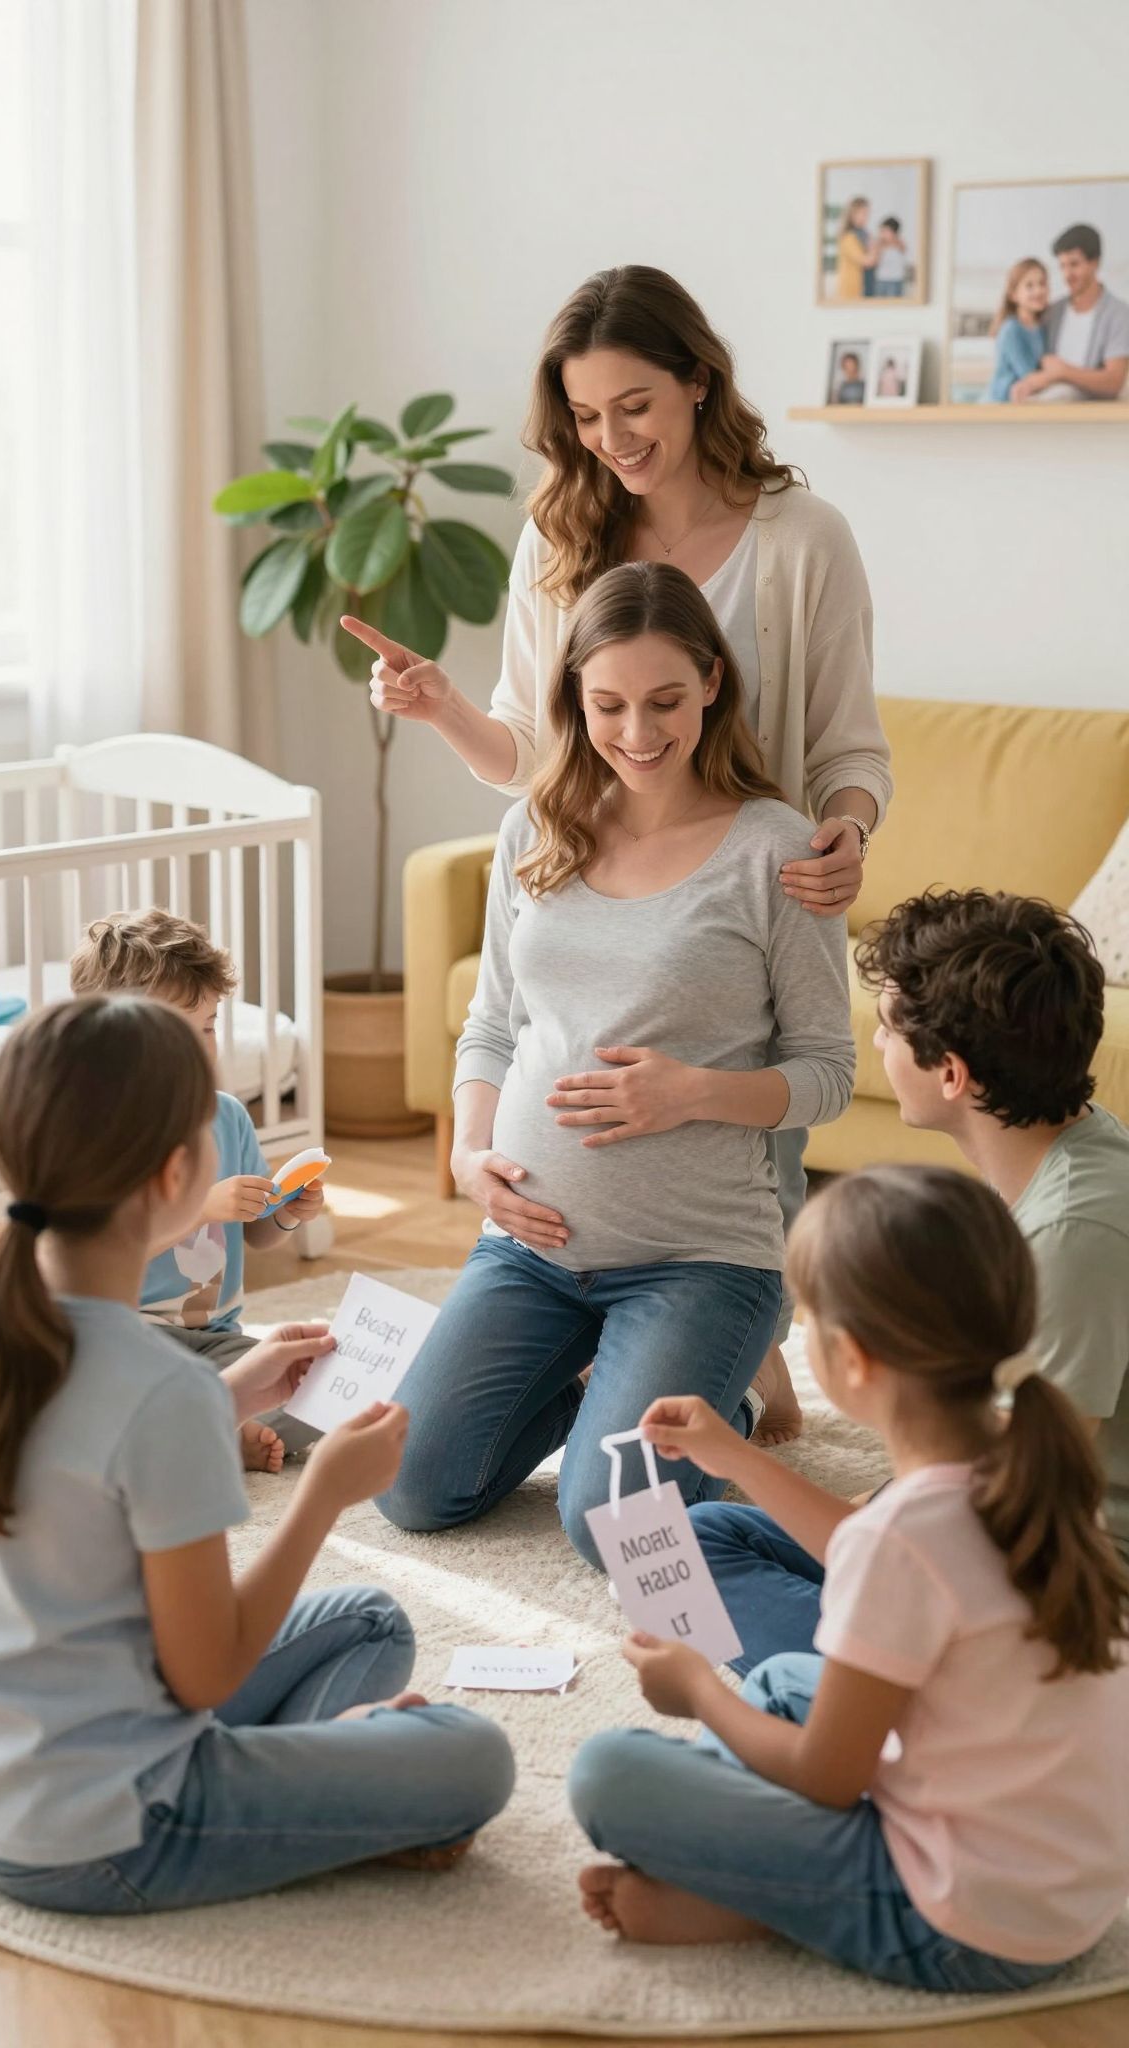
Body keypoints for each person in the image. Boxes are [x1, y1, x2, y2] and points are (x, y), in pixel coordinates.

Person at [343, 264, 892, 1443]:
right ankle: (696, 1360)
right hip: (606, 875)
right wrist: (443, 707)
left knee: (738, 1176)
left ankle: (722, 1342)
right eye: (586, 418)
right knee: (429, 1463)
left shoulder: (802, 540)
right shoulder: (562, 530)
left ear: (699, 381)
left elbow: (850, 742)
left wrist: (845, 827)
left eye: (634, 406)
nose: (612, 439)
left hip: (756, 894)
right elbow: (538, 760)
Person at [0, 996, 514, 1915]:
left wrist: (228, 1393)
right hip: (116, 1829)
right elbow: (207, 1674)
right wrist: (325, 1498)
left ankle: (321, 1777)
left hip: (6, 1791)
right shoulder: (158, 1389)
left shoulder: (11, 1335)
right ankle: (327, 1790)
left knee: (373, 1620)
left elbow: (83, 1466)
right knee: (477, 1754)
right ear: (182, 1170)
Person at [374, 563, 854, 1568]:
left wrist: (692, 1090)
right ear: (574, 699)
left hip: (699, 1259)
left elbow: (827, 1071)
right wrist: (469, 1151)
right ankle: (607, 1371)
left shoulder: (778, 850)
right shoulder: (531, 831)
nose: (638, 730)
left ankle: (703, 1372)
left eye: (665, 700)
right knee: (413, 1486)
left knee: (611, 1526)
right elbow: (493, 1025)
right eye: (608, 704)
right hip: (531, 1249)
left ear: (713, 683)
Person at [569, 1166, 1129, 1990]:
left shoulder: (904, 1535)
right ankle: (768, 1880)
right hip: (1064, 1894)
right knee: (792, 1675)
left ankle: (754, 1902)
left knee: (609, 1773)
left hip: (961, 1924)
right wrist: (729, 1454)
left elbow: (828, 1781)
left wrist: (698, 1692)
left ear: (854, 1360)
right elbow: (876, 1551)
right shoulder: (1029, 1466)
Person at [689, 888, 1129, 1680]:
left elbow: (1018, 1503)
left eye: (889, 1030)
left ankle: (907, 1690)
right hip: (991, 1522)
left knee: (700, 1572)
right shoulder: (1075, 1149)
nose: (878, 1045)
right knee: (706, 1538)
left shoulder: (1073, 1234)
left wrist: (870, 1536)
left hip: (1071, 1580)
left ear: (951, 1073)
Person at [70, 911, 326, 1472]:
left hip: (216, 1344)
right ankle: (212, 1429)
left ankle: (208, 1424)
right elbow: (96, 1258)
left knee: (319, 1383)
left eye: (207, 1027)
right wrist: (199, 1209)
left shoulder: (226, 1117)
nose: (200, 1047)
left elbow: (256, 1238)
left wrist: (285, 1214)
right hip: (125, 1340)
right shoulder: (97, 1131)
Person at [1011, 224, 1129, 403]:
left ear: (1094, 263)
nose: (1067, 274)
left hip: (1083, 411)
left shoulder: (1118, 314)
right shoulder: (1053, 312)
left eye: (1074, 264)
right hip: (1047, 401)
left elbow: (1114, 381)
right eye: (1062, 266)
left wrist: (1063, 372)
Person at [987, 258, 1050, 402]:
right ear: (1014, 295)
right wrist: (1060, 373)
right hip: (1002, 404)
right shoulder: (1012, 330)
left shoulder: (1041, 328)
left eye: (1042, 283)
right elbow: (1028, 375)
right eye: (1030, 286)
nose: (1039, 290)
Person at [834, 199, 879, 301]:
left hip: (865, 288)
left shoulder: (864, 235)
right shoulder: (848, 237)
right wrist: (875, 246)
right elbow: (868, 261)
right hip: (851, 292)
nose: (866, 217)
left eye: (867, 213)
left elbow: (875, 262)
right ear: (852, 214)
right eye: (863, 213)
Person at [872, 216, 908, 297]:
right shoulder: (879, 245)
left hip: (895, 281)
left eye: (885, 231)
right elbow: (875, 262)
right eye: (882, 231)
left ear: (893, 232)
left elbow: (902, 250)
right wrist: (877, 248)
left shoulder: (900, 244)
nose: (882, 234)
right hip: (881, 280)